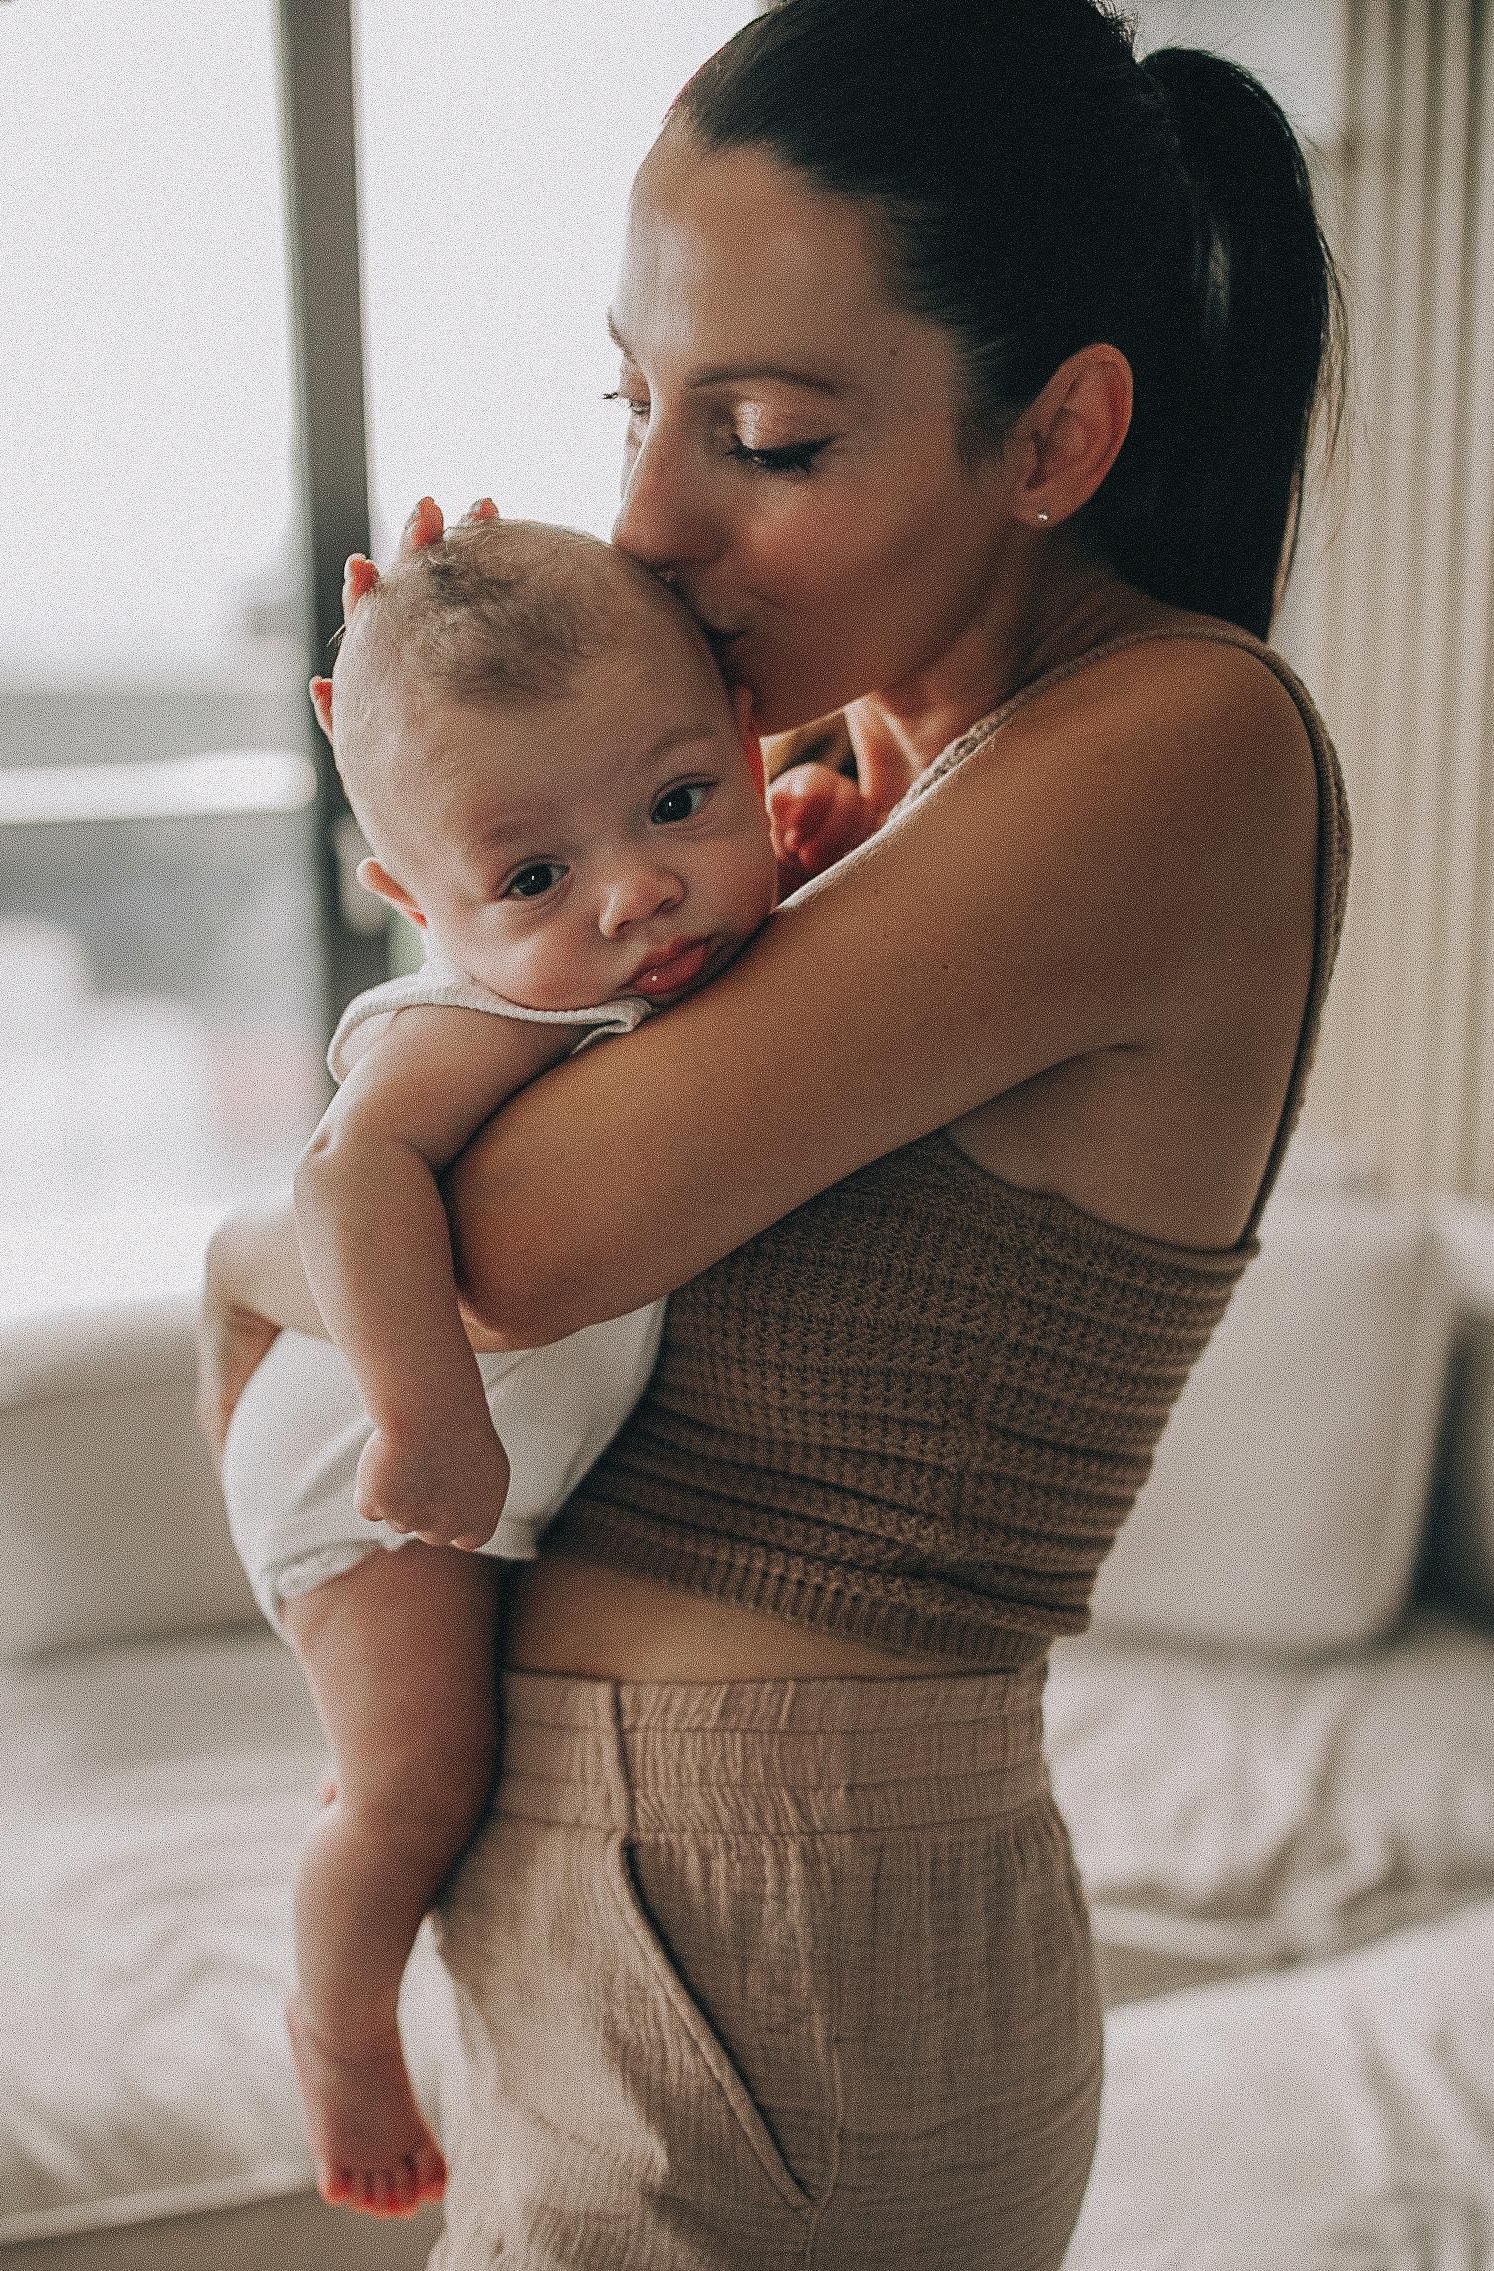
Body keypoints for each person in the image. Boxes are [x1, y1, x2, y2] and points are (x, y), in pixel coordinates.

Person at [197, 2, 1350, 2261]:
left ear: (1054, 436)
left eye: (763, 437)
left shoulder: (1173, 747)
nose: (646, 519)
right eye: (631, 404)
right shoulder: (843, 800)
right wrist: (475, 729)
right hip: (667, 1894)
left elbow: (505, 1250)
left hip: (767, 1911)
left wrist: (252, 1259)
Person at [217, 512, 779, 2217]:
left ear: (750, 746)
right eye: (531, 878)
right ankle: (337, 2032)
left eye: (679, 802)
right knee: (416, 1788)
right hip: (369, 1474)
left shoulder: (646, 956)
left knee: (399, 1752)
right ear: (419, 905)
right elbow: (348, 1177)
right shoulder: (478, 1014)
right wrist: (427, 1420)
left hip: (453, 1461)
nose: (632, 890)